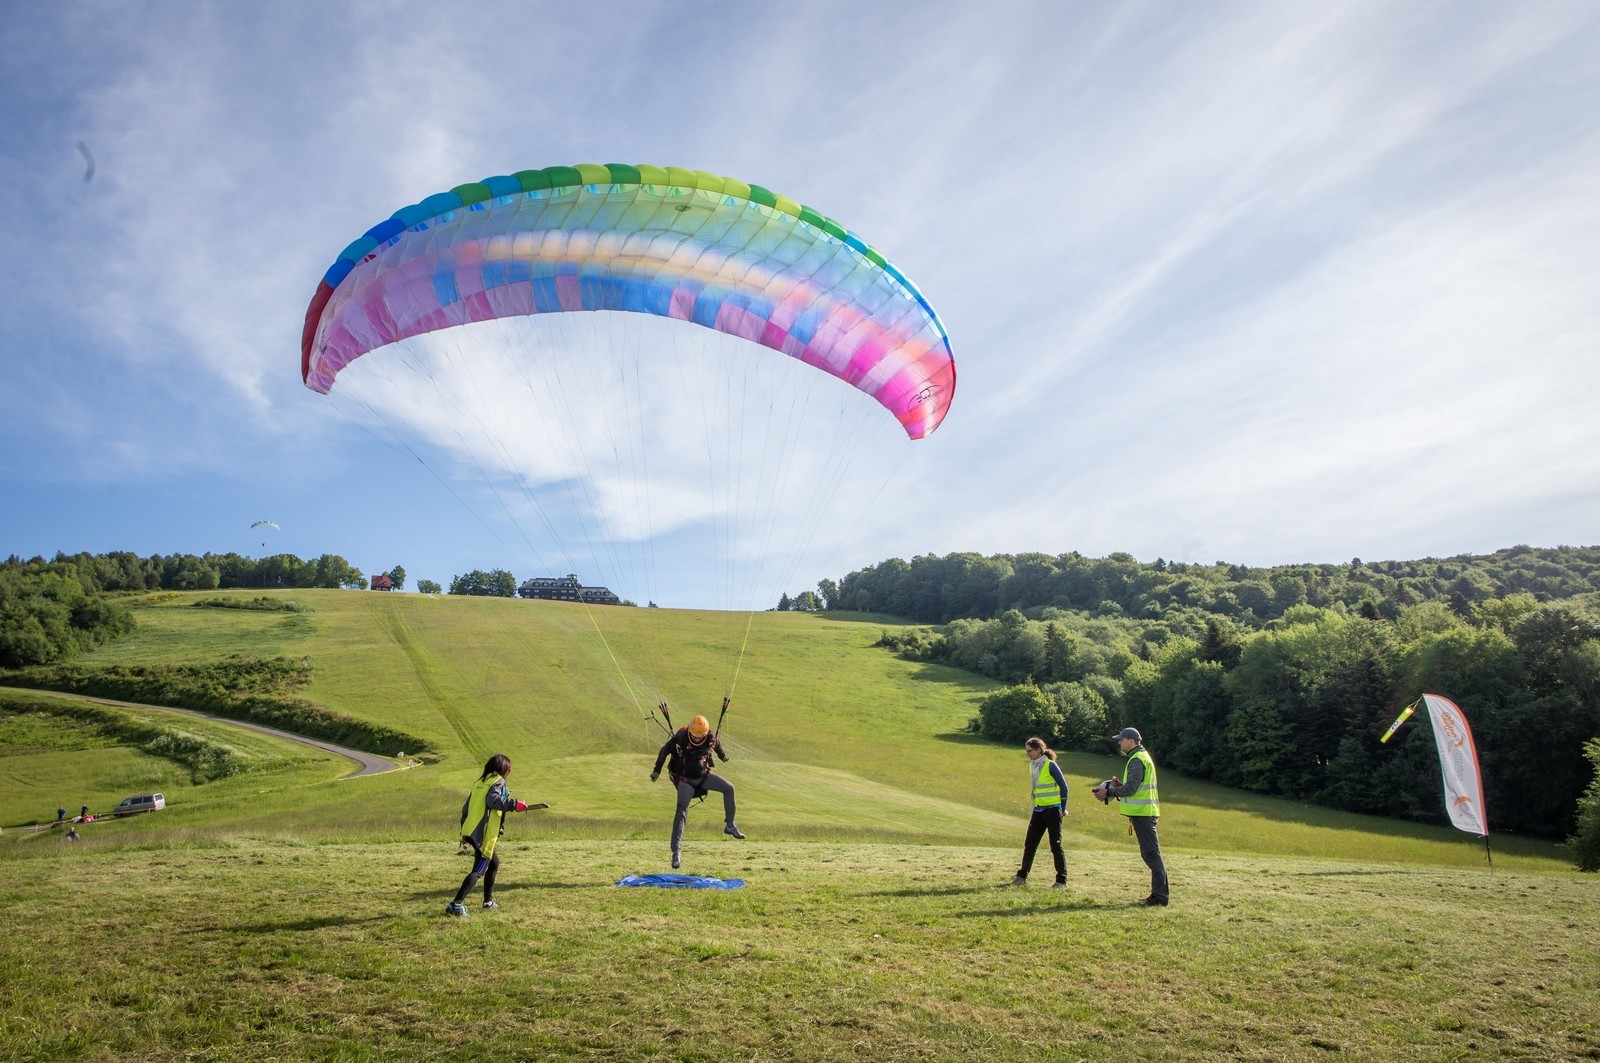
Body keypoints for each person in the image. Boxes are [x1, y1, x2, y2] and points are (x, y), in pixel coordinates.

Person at [445, 753, 535, 917]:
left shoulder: (480, 782)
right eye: (509, 769)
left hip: (472, 830)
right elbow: (493, 801)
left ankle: (488, 902)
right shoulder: (498, 781)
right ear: (503, 768)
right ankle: (456, 904)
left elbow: (466, 808)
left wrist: (465, 831)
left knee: (494, 863)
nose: (509, 772)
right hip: (484, 833)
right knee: (479, 870)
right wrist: (514, 804)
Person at [651, 714, 743, 869]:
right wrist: (656, 771)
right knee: (681, 811)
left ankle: (730, 825)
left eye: (701, 736)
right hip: (685, 780)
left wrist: (722, 756)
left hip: (703, 777)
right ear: (690, 732)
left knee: (729, 788)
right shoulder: (680, 738)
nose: (698, 738)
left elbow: (716, 744)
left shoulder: (710, 737)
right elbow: (664, 751)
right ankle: (676, 853)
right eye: (695, 736)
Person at [1092, 727, 1169, 906]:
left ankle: (1159, 898)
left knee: (1151, 855)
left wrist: (1108, 792)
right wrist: (1120, 786)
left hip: (1143, 814)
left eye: (1122, 739)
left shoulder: (1136, 760)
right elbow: (1134, 787)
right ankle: (1158, 896)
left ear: (1131, 741)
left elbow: (1131, 789)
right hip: (1144, 813)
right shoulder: (1141, 757)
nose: (1119, 742)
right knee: (1151, 855)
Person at [1007, 737, 1069, 888]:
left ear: (1039, 750)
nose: (1027, 753)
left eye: (1030, 751)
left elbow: (1064, 788)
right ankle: (1021, 877)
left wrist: (1062, 808)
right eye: (1027, 751)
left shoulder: (1051, 765)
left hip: (1052, 810)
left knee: (1055, 846)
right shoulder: (1032, 766)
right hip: (1038, 809)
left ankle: (1061, 880)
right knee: (1030, 844)